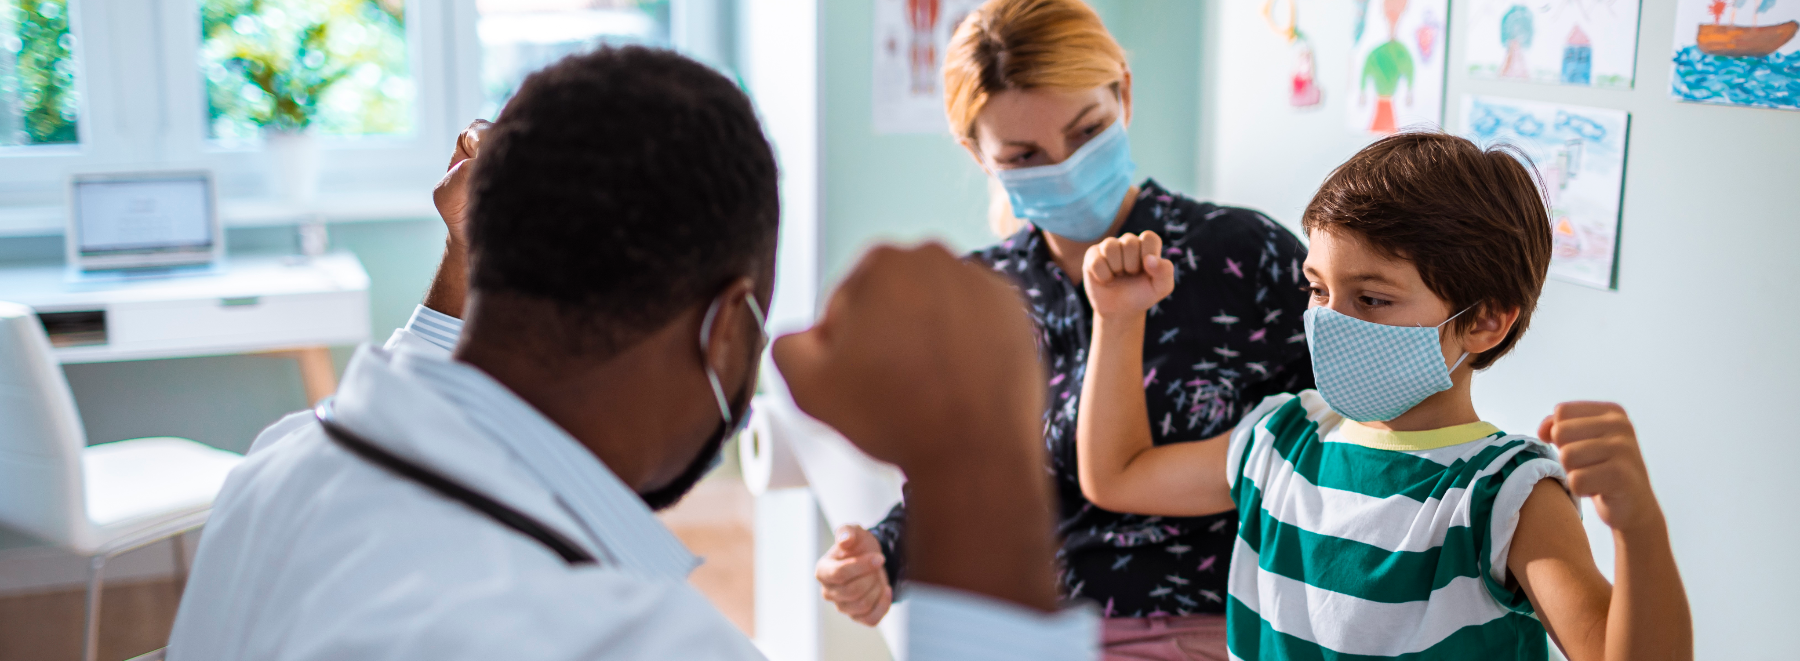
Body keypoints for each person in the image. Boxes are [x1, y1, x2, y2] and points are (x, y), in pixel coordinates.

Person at [166, 47, 1098, 660]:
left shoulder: (281, 462)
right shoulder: (620, 642)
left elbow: (421, 401)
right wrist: (978, 446)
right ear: (727, 328)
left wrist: (467, 263)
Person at [1073, 132, 1693, 659]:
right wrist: (1119, 319)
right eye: (1318, 290)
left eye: (1371, 298)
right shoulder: (1279, 442)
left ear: (1484, 322)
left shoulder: (1504, 494)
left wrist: (1639, 527)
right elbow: (1118, 476)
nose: (1331, 320)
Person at [817, 0, 1313, 657]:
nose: (1066, 167)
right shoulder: (978, 300)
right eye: (1025, 154)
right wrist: (878, 556)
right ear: (977, 153)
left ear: (1123, 97)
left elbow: (1338, 452)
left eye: (1086, 133)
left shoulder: (1246, 257)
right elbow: (955, 495)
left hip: (1218, 628)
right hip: (1029, 636)